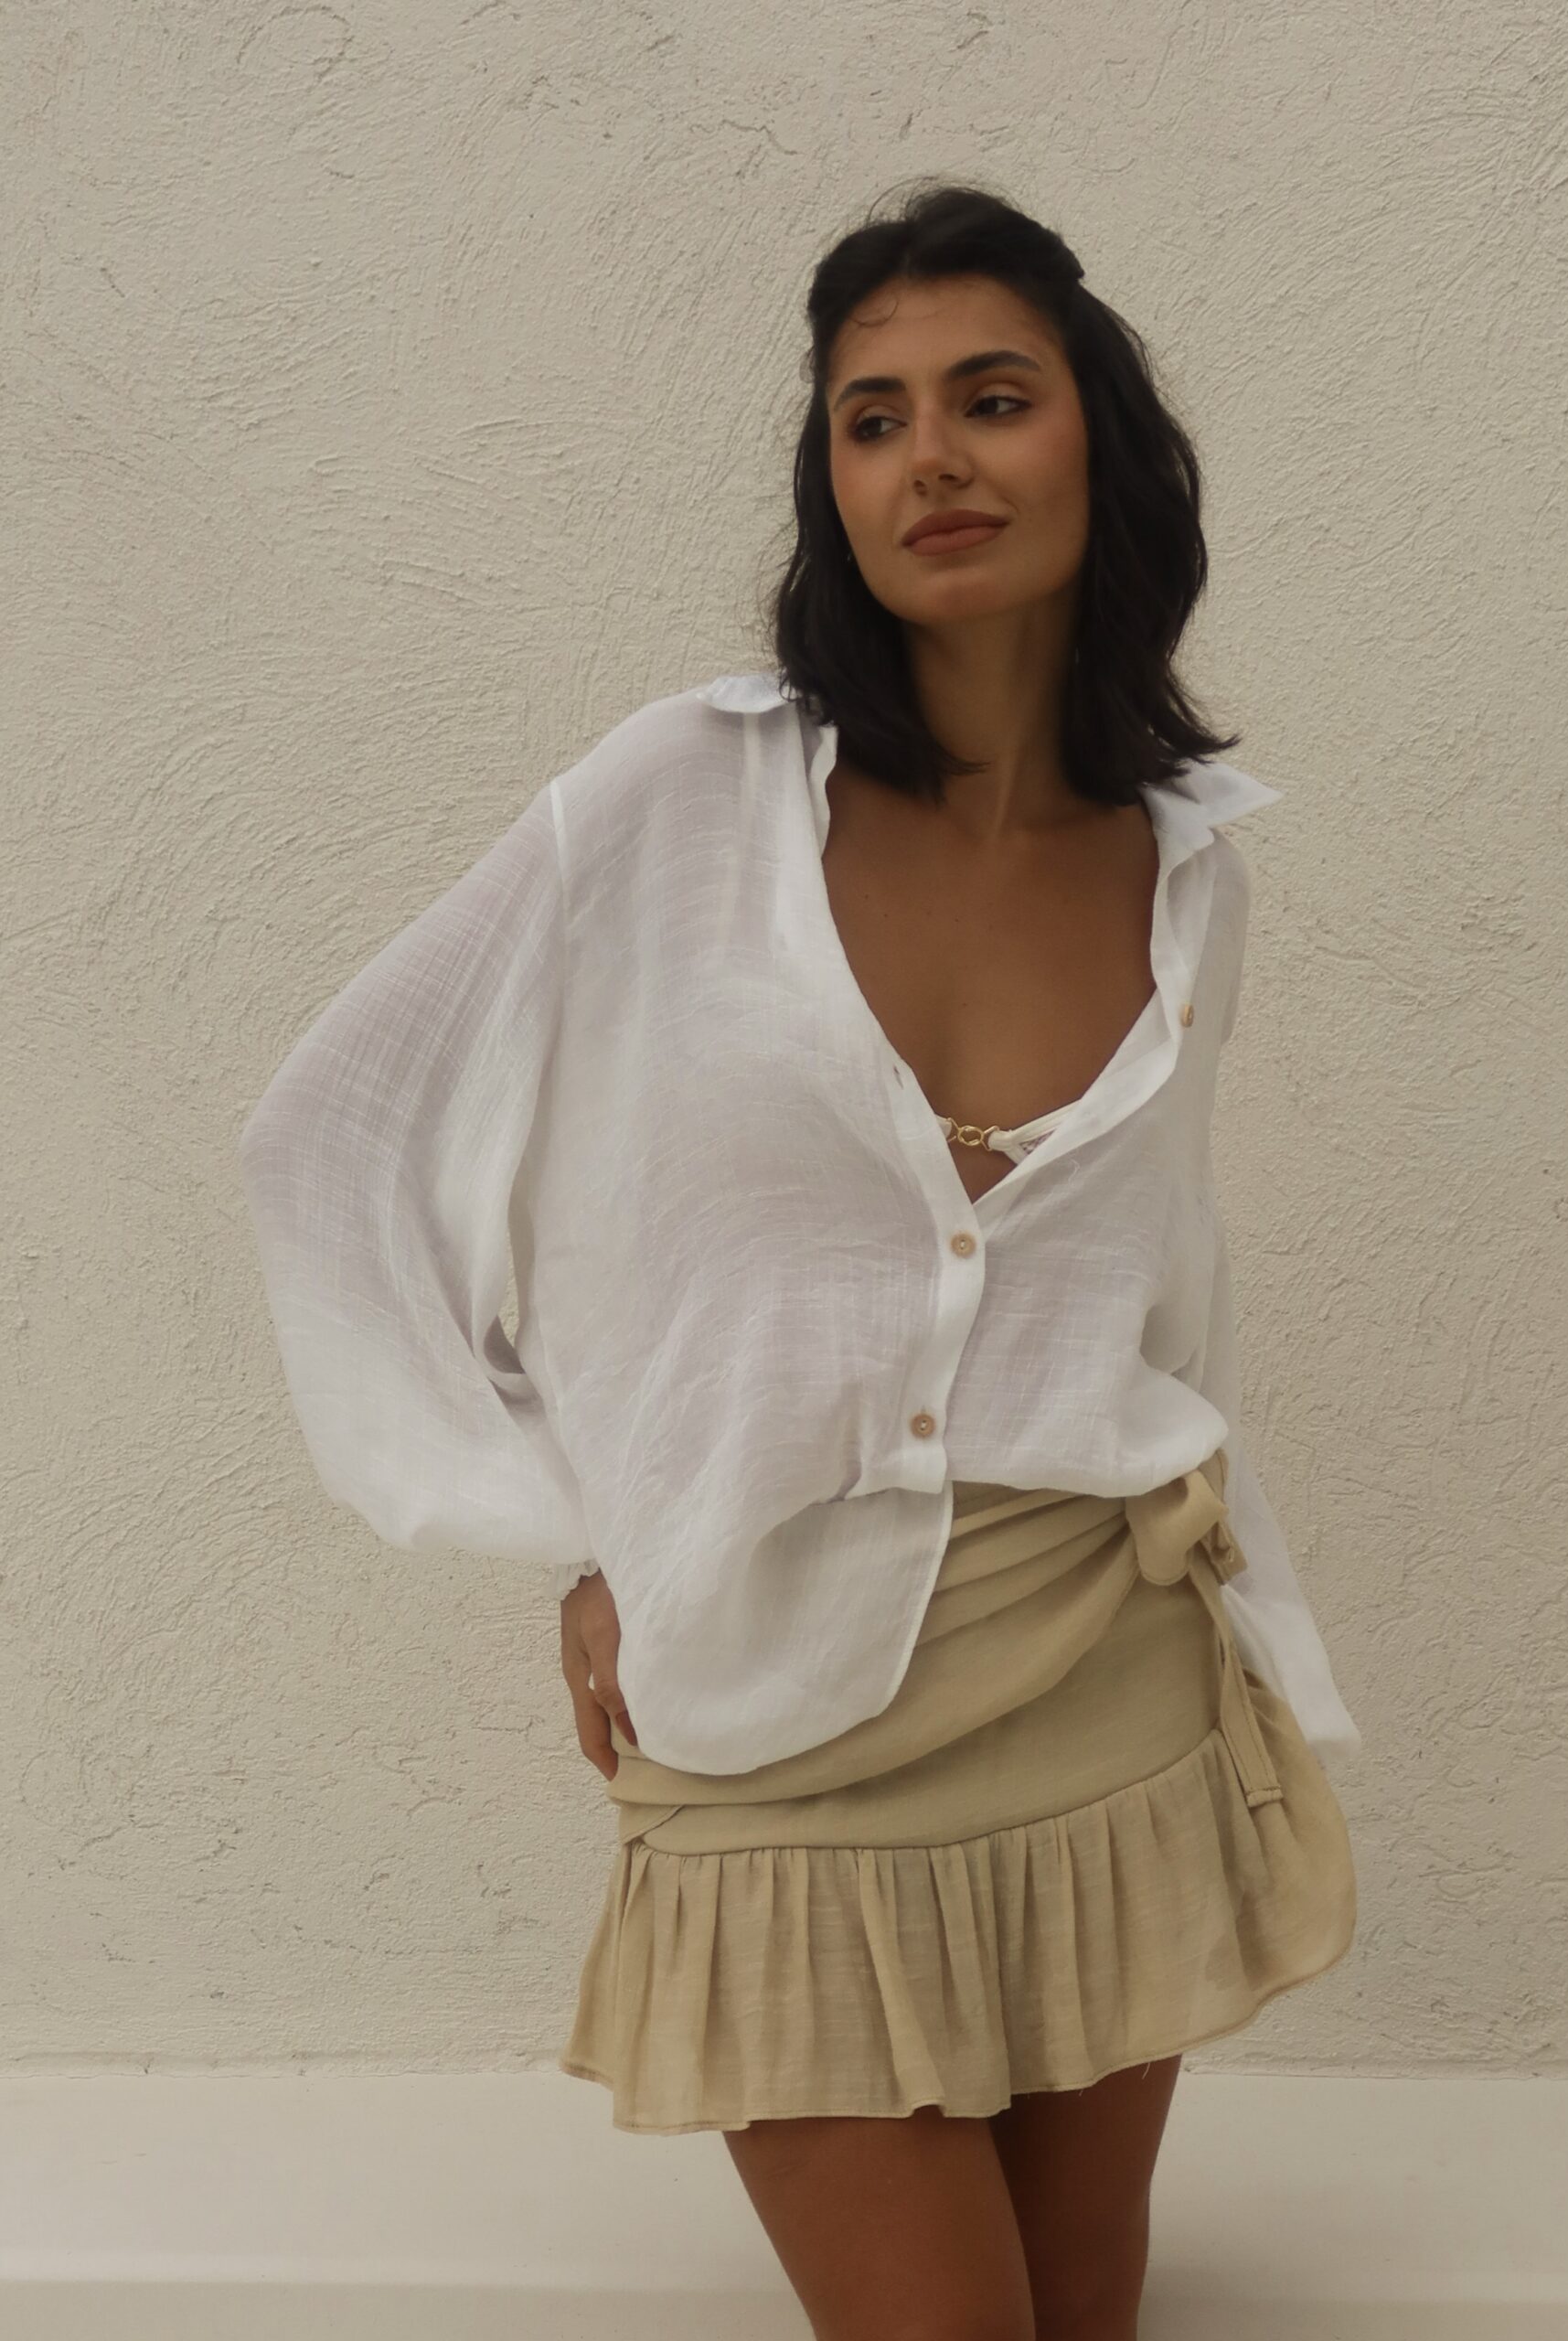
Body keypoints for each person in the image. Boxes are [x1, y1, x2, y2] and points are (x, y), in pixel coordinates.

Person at [239, 178, 1361, 2337]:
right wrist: (575, 1519)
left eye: (991, 398)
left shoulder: (1188, 869)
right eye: (872, 416)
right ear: (829, 481)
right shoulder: (681, 798)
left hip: (1102, 1672)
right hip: (768, 1714)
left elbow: (1164, 1292)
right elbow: (334, 1140)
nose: (930, 454)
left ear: (1102, 445)